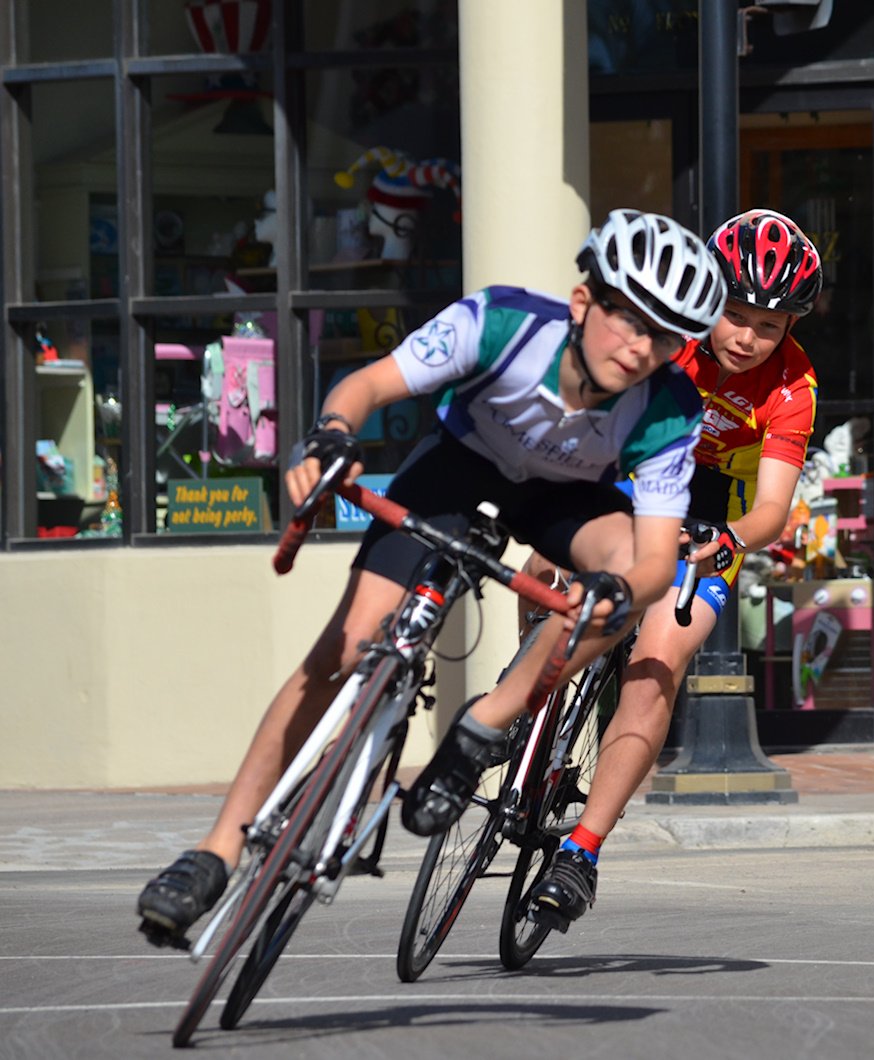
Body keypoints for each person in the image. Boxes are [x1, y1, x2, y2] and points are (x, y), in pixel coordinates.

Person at [135, 208, 728, 945]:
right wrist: (331, 436)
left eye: (664, 336)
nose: (640, 347)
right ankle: (215, 850)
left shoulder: (669, 410)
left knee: (609, 593)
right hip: (460, 469)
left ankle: (486, 724)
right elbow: (369, 386)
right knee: (342, 650)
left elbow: (654, 558)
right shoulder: (500, 325)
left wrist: (619, 592)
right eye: (626, 318)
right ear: (583, 303)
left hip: (564, 500)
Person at [410, 208, 823, 932]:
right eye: (738, 315)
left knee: (659, 657)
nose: (749, 337)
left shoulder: (793, 386)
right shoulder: (671, 339)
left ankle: (582, 851)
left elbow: (772, 510)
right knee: (550, 573)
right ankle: (523, 706)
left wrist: (726, 541)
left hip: (709, 516)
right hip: (626, 482)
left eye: (772, 325)